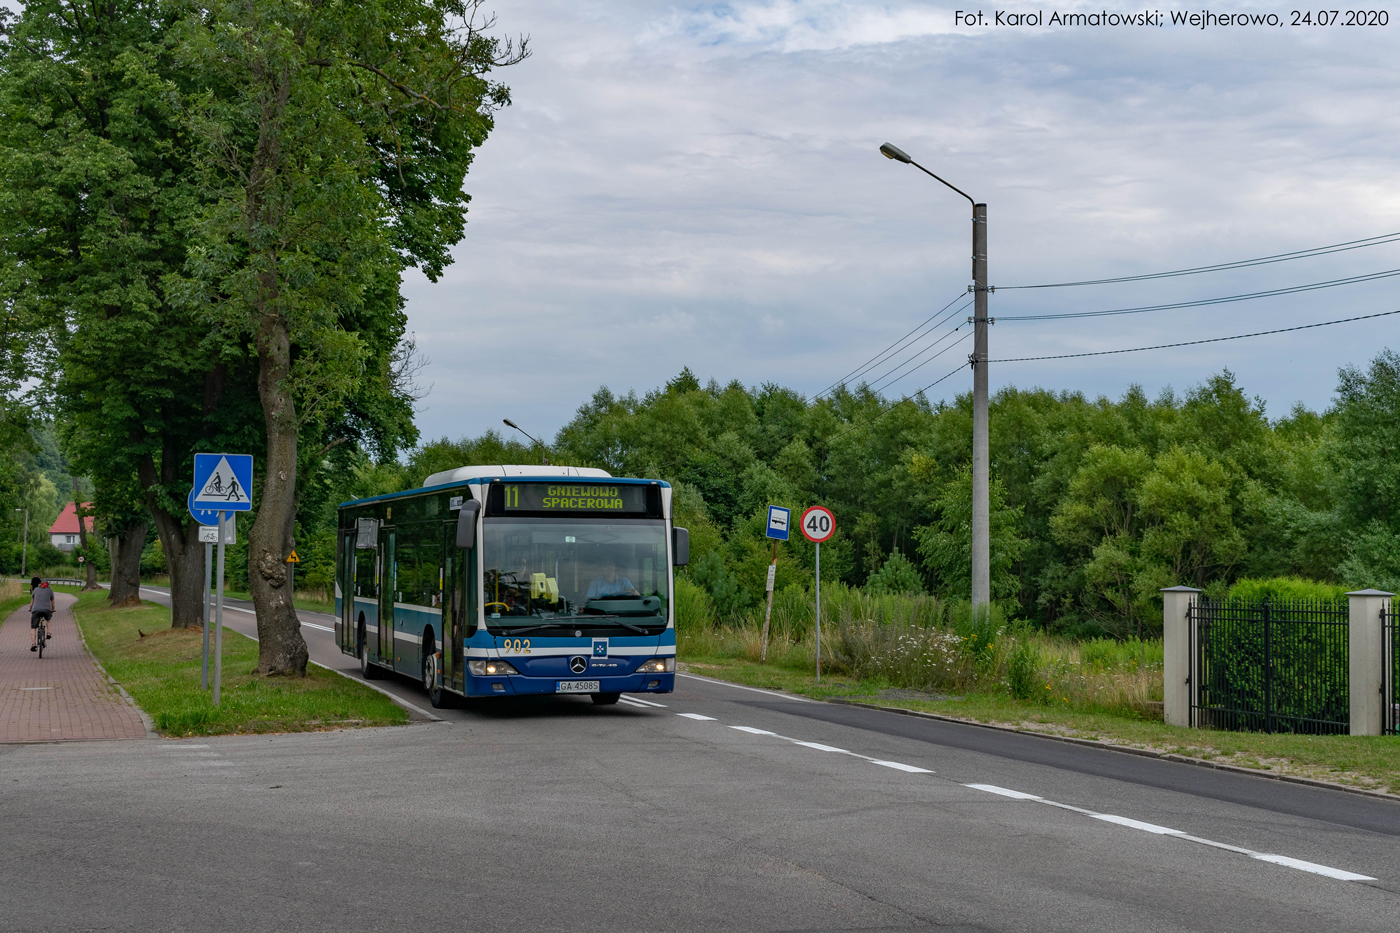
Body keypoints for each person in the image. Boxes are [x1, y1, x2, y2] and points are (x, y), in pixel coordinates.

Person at [29, 580, 54, 652]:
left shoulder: (36, 590)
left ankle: (34, 644)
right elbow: (53, 602)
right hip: (47, 610)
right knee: (48, 620)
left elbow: (32, 602)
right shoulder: (50, 591)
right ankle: (48, 633)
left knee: (33, 627)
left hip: (36, 610)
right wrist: (52, 609)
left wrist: (30, 609)